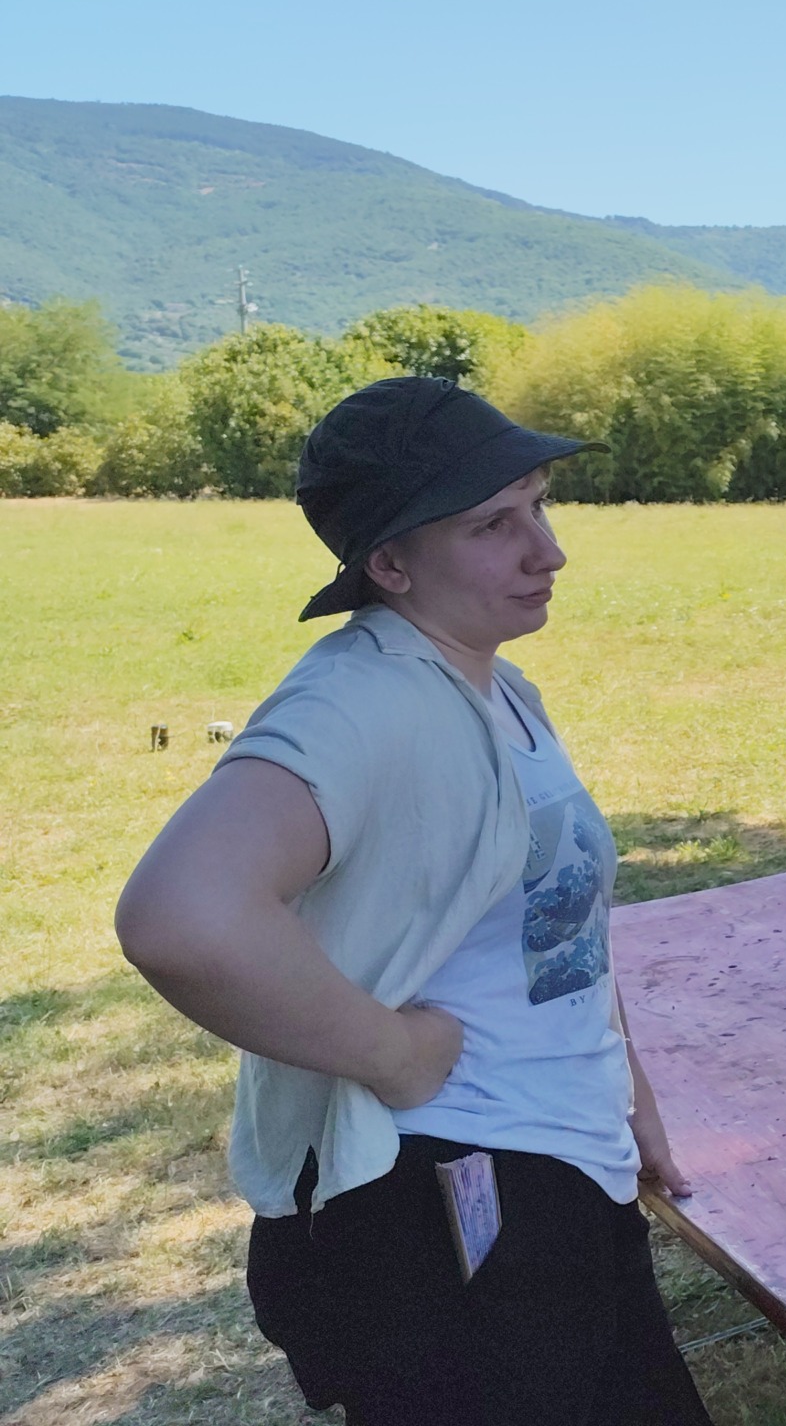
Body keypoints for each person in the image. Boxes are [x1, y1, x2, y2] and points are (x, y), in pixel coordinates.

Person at [116, 378, 711, 1425]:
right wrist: (395, 1053)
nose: (547, 552)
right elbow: (182, 914)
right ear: (389, 565)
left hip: (561, 1168)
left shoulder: (492, 684)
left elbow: (556, 922)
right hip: (453, 1211)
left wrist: (629, 1092)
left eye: (539, 506)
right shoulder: (363, 697)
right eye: (493, 525)